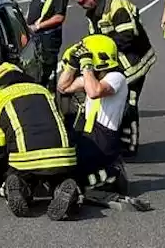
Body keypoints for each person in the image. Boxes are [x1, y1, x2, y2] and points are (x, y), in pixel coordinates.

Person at [0, 62, 81, 221]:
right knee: (57, 174)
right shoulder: (44, 91)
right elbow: (60, 122)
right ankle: (62, 187)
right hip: (63, 154)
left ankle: (20, 188)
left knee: (20, 171)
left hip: (25, 159)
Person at [72, 0, 156, 156]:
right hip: (117, 63)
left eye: (81, 2)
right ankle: (113, 140)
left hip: (135, 61)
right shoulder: (92, 12)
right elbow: (94, 37)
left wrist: (102, 51)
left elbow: (127, 37)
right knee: (115, 101)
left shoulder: (116, 7)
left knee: (130, 103)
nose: (81, 7)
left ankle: (130, 145)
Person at [56, 35, 131, 207]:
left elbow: (94, 91)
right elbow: (63, 87)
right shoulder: (94, 77)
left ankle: (113, 174)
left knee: (78, 171)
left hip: (104, 138)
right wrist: (72, 65)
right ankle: (72, 188)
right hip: (88, 133)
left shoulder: (116, 77)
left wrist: (87, 67)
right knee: (66, 163)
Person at [25, 0, 69, 90]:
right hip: (33, 37)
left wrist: (38, 26)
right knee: (32, 69)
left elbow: (59, 17)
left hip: (47, 38)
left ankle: (48, 96)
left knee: (46, 71)